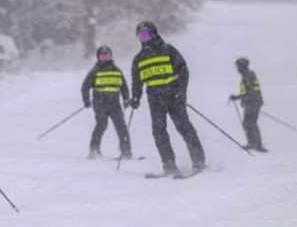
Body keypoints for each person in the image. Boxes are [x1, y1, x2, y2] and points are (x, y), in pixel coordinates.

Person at [130, 21, 206, 174]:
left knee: (184, 127)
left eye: (146, 34)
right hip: (155, 99)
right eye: (140, 35)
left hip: (174, 97)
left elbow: (183, 71)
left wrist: (180, 91)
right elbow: (137, 81)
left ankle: (198, 160)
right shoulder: (139, 59)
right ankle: (168, 163)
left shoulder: (168, 50)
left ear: (154, 33)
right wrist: (135, 97)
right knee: (159, 130)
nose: (144, 38)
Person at [81, 45, 131, 159]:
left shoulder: (117, 70)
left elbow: (124, 87)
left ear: (110, 56)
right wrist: (86, 100)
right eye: (102, 55)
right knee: (101, 125)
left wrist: (126, 99)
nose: (105, 57)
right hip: (100, 105)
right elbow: (85, 86)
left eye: (107, 55)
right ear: (98, 57)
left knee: (121, 127)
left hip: (115, 104)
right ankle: (94, 150)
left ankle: (126, 151)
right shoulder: (95, 71)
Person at [229, 57, 267, 152]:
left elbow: (251, 92)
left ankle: (256, 144)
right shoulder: (247, 75)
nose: (237, 68)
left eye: (238, 66)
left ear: (243, 66)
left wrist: (240, 99)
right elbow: (247, 92)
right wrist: (240, 98)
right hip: (253, 102)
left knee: (249, 123)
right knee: (249, 123)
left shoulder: (248, 75)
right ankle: (255, 143)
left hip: (252, 103)